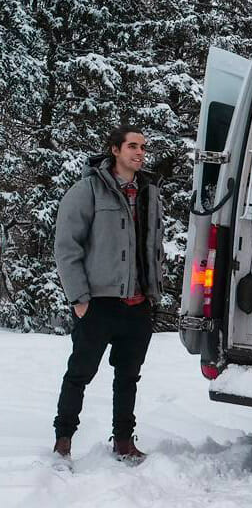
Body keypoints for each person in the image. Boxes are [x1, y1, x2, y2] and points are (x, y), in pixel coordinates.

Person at [52, 125, 163, 462]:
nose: (140, 153)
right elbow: (66, 247)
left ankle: (124, 441)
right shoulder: (87, 190)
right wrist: (79, 299)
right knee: (79, 374)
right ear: (115, 149)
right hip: (98, 304)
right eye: (132, 146)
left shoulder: (149, 192)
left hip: (138, 304)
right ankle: (63, 439)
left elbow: (153, 245)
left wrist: (152, 294)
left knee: (128, 377)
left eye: (143, 147)